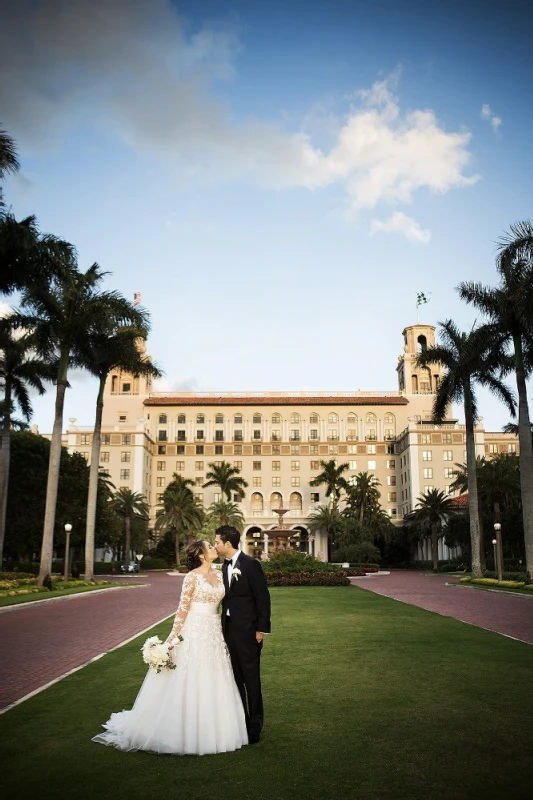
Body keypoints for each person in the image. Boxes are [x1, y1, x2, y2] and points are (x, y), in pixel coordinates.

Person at [92, 540, 248, 755]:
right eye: (209, 547)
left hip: (213, 630)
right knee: (190, 675)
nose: (214, 548)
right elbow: (182, 610)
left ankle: (216, 730)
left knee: (214, 674)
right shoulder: (191, 577)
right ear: (202, 555)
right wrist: (171, 640)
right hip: (194, 629)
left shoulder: (221, 575)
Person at [215, 525, 271, 745]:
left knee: (251, 679)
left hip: (248, 631)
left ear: (228, 543)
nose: (216, 545)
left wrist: (261, 629)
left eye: (217, 542)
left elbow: (263, 599)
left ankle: (255, 725)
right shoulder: (224, 566)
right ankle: (241, 721)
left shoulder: (251, 565)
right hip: (228, 629)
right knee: (235, 678)